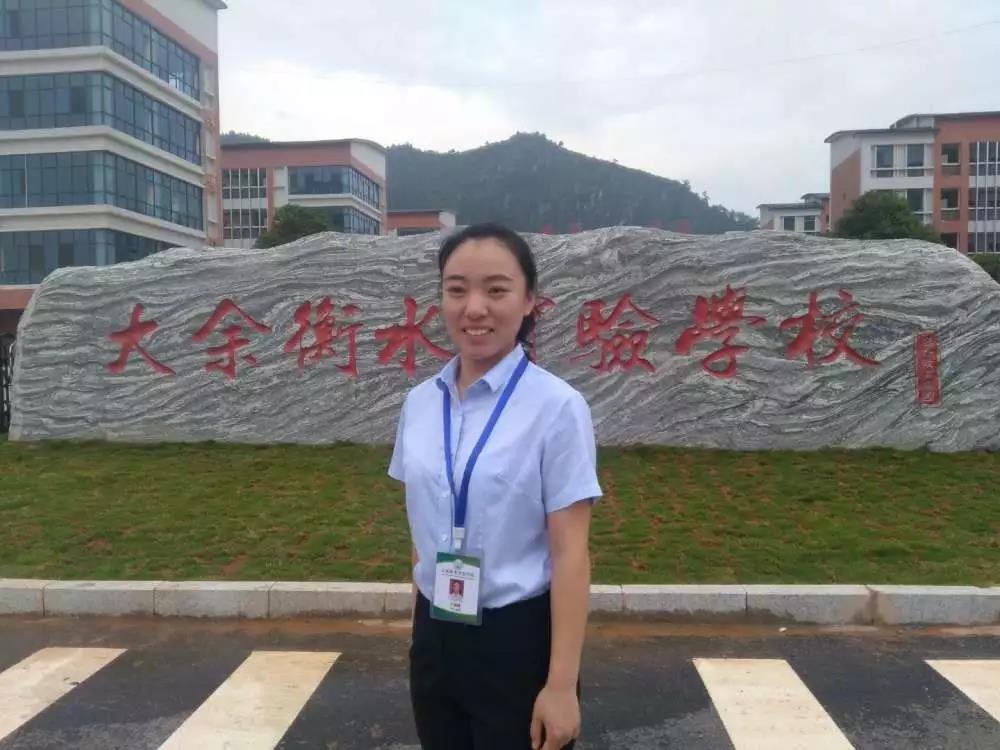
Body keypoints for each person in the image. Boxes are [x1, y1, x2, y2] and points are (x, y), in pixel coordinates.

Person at [389, 223, 602, 750]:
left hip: (516, 642)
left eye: (496, 290)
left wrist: (561, 686)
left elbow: (570, 553)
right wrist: (421, 634)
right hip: (436, 633)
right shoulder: (420, 404)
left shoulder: (557, 408)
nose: (474, 308)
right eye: (457, 289)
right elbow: (420, 526)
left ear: (529, 301)